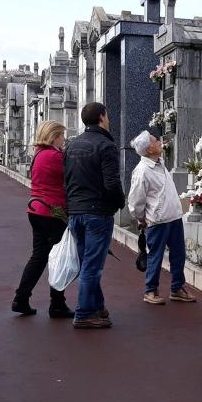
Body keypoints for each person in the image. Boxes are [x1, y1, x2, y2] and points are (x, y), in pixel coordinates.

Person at [63, 102, 125, 330]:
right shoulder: (105, 145)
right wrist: (119, 202)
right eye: (107, 116)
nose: (109, 120)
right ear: (101, 117)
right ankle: (84, 312)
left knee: (86, 263)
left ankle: (97, 305)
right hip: (97, 212)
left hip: (76, 211)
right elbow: (111, 183)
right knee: (92, 266)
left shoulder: (71, 145)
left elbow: (66, 180)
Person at [12, 120, 74, 319]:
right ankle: (57, 304)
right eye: (62, 135)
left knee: (38, 257)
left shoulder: (38, 154)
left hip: (36, 209)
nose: (63, 139)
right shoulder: (56, 156)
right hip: (53, 212)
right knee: (59, 258)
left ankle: (21, 298)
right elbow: (71, 179)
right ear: (54, 136)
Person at [127, 130, 197, 305]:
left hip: (173, 216)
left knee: (178, 255)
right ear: (149, 150)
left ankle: (177, 288)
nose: (159, 141)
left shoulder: (159, 163)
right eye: (154, 140)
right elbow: (136, 199)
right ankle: (150, 290)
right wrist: (140, 218)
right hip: (157, 220)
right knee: (155, 256)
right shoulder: (142, 170)